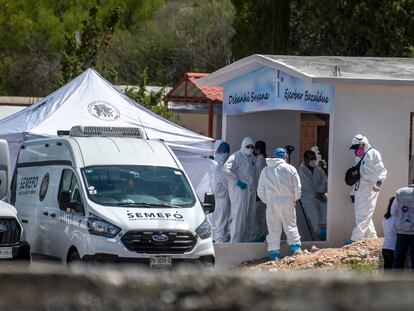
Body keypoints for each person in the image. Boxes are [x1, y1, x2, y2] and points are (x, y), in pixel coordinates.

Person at [257, 148, 302, 261]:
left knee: (273, 228)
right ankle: (295, 249)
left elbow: (260, 190)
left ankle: (274, 254)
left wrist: (268, 201)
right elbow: (297, 188)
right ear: (285, 157)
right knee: (290, 225)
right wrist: (294, 199)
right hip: (288, 201)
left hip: (272, 202)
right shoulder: (290, 168)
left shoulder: (265, 170)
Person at [347, 134, 387, 243]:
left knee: (363, 214)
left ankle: (355, 239)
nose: (355, 150)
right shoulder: (359, 158)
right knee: (362, 214)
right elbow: (357, 176)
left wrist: (378, 185)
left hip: (371, 189)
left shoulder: (373, 153)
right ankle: (373, 239)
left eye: (357, 147)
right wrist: (353, 192)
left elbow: (382, 171)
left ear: (363, 144)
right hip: (360, 189)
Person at [223, 137, 256, 242]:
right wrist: (237, 181)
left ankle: (245, 242)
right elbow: (225, 170)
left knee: (249, 218)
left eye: (252, 147)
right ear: (243, 146)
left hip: (250, 192)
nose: (250, 148)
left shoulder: (251, 158)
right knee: (238, 217)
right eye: (248, 146)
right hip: (239, 192)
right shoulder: (236, 156)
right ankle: (235, 242)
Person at [298, 150, 328, 240]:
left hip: (320, 197)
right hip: (308, 199)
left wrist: (321, 192)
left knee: (324, 217)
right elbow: (306, 185)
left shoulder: (318, 169)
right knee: (315, 219)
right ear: (305, 159)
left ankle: (324, 236)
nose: (313, 160)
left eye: (314, 158)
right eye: (311, 158)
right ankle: (321, 238)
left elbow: (325, 181)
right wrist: (317, 194)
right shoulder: (301, 171)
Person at [391, 184, 414, 269]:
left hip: (402, 231)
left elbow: (393, 211)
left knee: (398, 260)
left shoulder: (400, 192)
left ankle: (395, 282)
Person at [212, 142, 231, 243]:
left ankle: (217, 243)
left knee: (216, 224)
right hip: (222, 199)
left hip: (214, 199)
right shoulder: (222, 166)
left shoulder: (213, 164)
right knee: (222, 224)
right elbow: (226, 185)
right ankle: (220, 246)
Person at [249, 140, 268, 241]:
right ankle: (261, 236)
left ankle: (257, 237)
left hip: (259, 193)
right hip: (262, 193)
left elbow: (258, 178)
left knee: (256, 217)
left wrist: (257, 193)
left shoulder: (260, 161)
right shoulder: (263, 160)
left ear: (258, 150)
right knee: (261, 216)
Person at [382, 197, 396, 270]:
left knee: (386, 270)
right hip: (394, 247)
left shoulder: (385, 217)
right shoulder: (396, 218)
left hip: (385, 247)